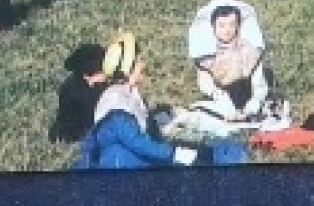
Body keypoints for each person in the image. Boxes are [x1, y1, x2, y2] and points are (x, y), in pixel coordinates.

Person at [73, 33, 247, 169]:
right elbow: (134, 141)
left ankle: (222, 154)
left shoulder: (127, 93)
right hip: (122, 164)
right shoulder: (116, 99)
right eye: (138, 60)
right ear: (129, 68)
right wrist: (173, 154)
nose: (143, 64)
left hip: (133, 160)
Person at [188, 0, 273, 121]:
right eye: (221, 26)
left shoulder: (249, 51)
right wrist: (216, 93)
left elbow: (259, 81)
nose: (227, 30)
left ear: (238, 26)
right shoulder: (207, 55)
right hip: (219, 99)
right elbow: (204, 80)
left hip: (247, 95)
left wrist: (255, 102)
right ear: (213, 27)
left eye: (232, 25)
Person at [49, 42, 110, 143]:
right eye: (102, 71)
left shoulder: (98, 84)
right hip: (78, 133)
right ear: (89, 76)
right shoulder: (77, 93)